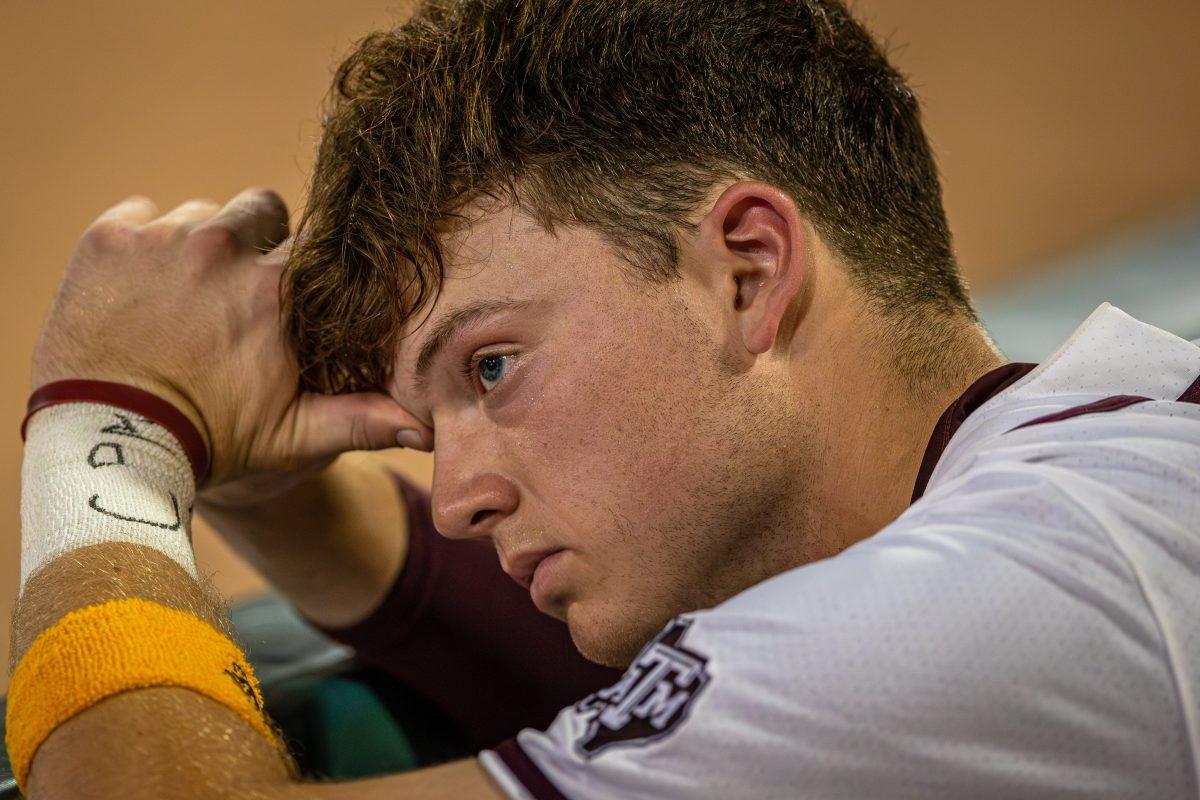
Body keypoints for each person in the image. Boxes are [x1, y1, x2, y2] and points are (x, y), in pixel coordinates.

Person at [8, 1, 1200, 798]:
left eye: (490, 366)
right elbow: (661, 679)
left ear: (747, 268)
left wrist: (106, 433)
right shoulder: (1094, 471)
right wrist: (278, 498)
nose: (457, 491)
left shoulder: (1009, 595)